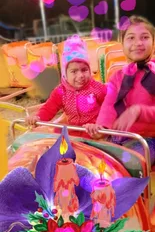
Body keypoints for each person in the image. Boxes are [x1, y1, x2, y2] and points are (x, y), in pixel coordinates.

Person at [85, 15, 155, 165]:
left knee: (125, 163)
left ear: (153, 42)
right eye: (131, 38)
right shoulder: (117, 76)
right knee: (91, 159)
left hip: (148, 139)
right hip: (119, 135)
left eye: (144, 37)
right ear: (122, 43)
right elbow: (108, 105)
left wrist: (139, 111)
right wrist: (101, 128)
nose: (138, 43)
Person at [26, 35, 107, 138]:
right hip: (73, 132)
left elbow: (109, 107)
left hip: (94, 132)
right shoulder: (60, 91)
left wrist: (100, 124)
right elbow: (48, 108)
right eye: (74, 71)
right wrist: (37, 117)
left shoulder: (97, 88)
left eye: (84, 70)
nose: (80, 75)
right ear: (65, 73)